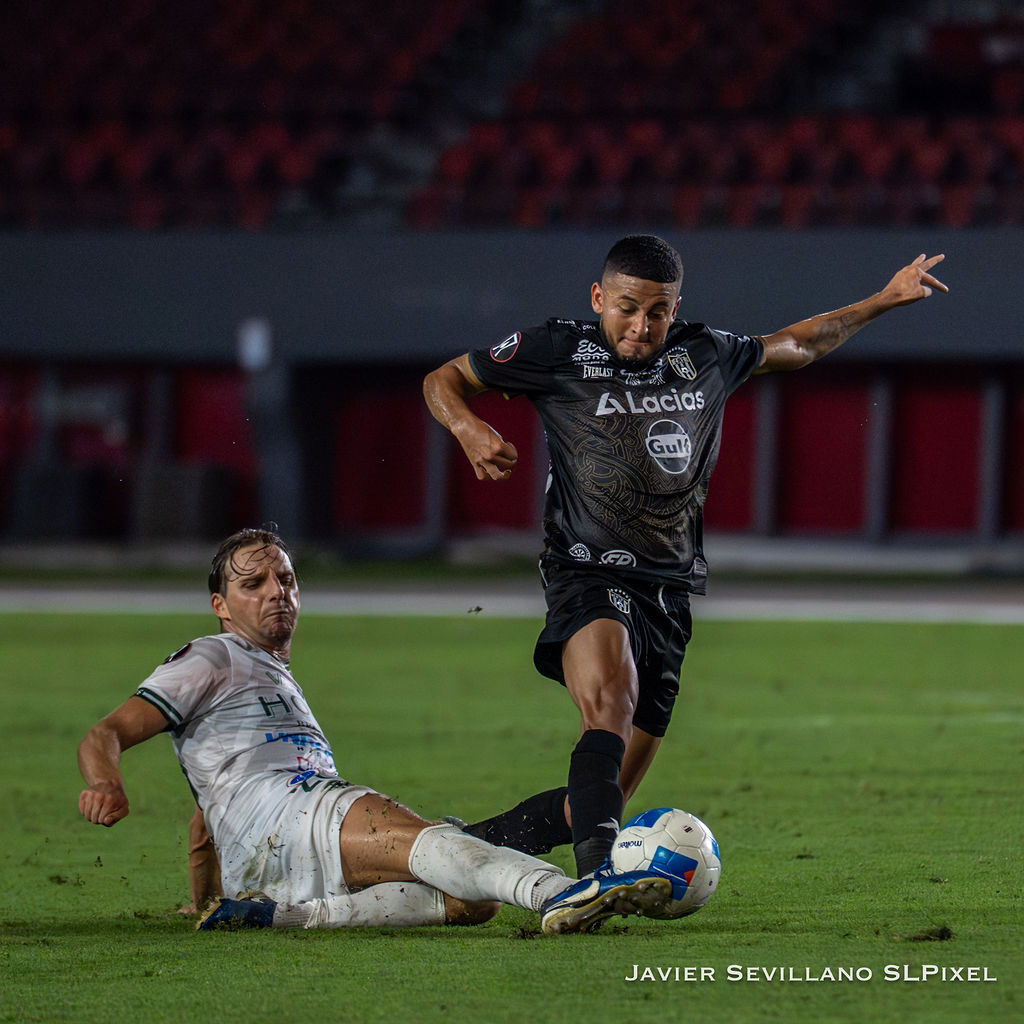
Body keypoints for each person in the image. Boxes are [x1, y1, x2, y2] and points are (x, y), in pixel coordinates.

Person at [423, 235, 948, 877]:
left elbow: (799, 344)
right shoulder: (555, 349)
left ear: (677, 307)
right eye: (626, 308)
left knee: (602, 797)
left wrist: (885, 300)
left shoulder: (706, 354)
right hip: (586, 569)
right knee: (609, 705)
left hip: (669, 589)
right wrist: (469, 426)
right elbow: (443, 378)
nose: (641, 326)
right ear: (598, 298)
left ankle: (454, 848)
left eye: (658, 311)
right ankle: (595, 878)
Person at [77, 526, 674, 934]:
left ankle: (280, 917)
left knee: (470, 904)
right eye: (252, 585)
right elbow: (104, 733)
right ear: (220, 605)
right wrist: (106, 782)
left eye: (285, 580)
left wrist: (208, 898)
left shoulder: (268, 681)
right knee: (429, 844)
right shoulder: (212, 657)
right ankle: (557, 892)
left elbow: (209, 813)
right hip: (295, 814)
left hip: (265, 860)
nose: (275, 594)